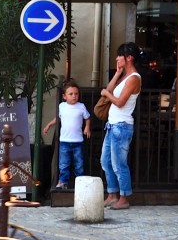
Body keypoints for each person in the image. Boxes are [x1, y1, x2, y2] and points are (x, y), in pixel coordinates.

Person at [100, 42, 142, 210]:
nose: (117, 58)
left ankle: (124, 198)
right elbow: (109, 89)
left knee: (119, 164)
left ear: (129, 58)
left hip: (122, 126)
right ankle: (112, 194)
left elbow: (119, 102)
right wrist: (117, 74)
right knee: (105, 161)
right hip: (112, 126)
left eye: (120, 55)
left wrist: (106, 94)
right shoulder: (124, 76)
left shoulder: (134, 78)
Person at [41, 80, 90, 190]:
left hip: (78, 141)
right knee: (64, 164)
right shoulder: (62, 106)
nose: (74, 96)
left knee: (79, 164)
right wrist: (49, 125)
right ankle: (63, 182)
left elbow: (87, 117)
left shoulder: (81, 106)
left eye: (76, 94)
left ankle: (80, 182)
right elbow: (58, 118)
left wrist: (87, 127)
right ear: (64, 96)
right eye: (71, 94)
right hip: (64, 141)